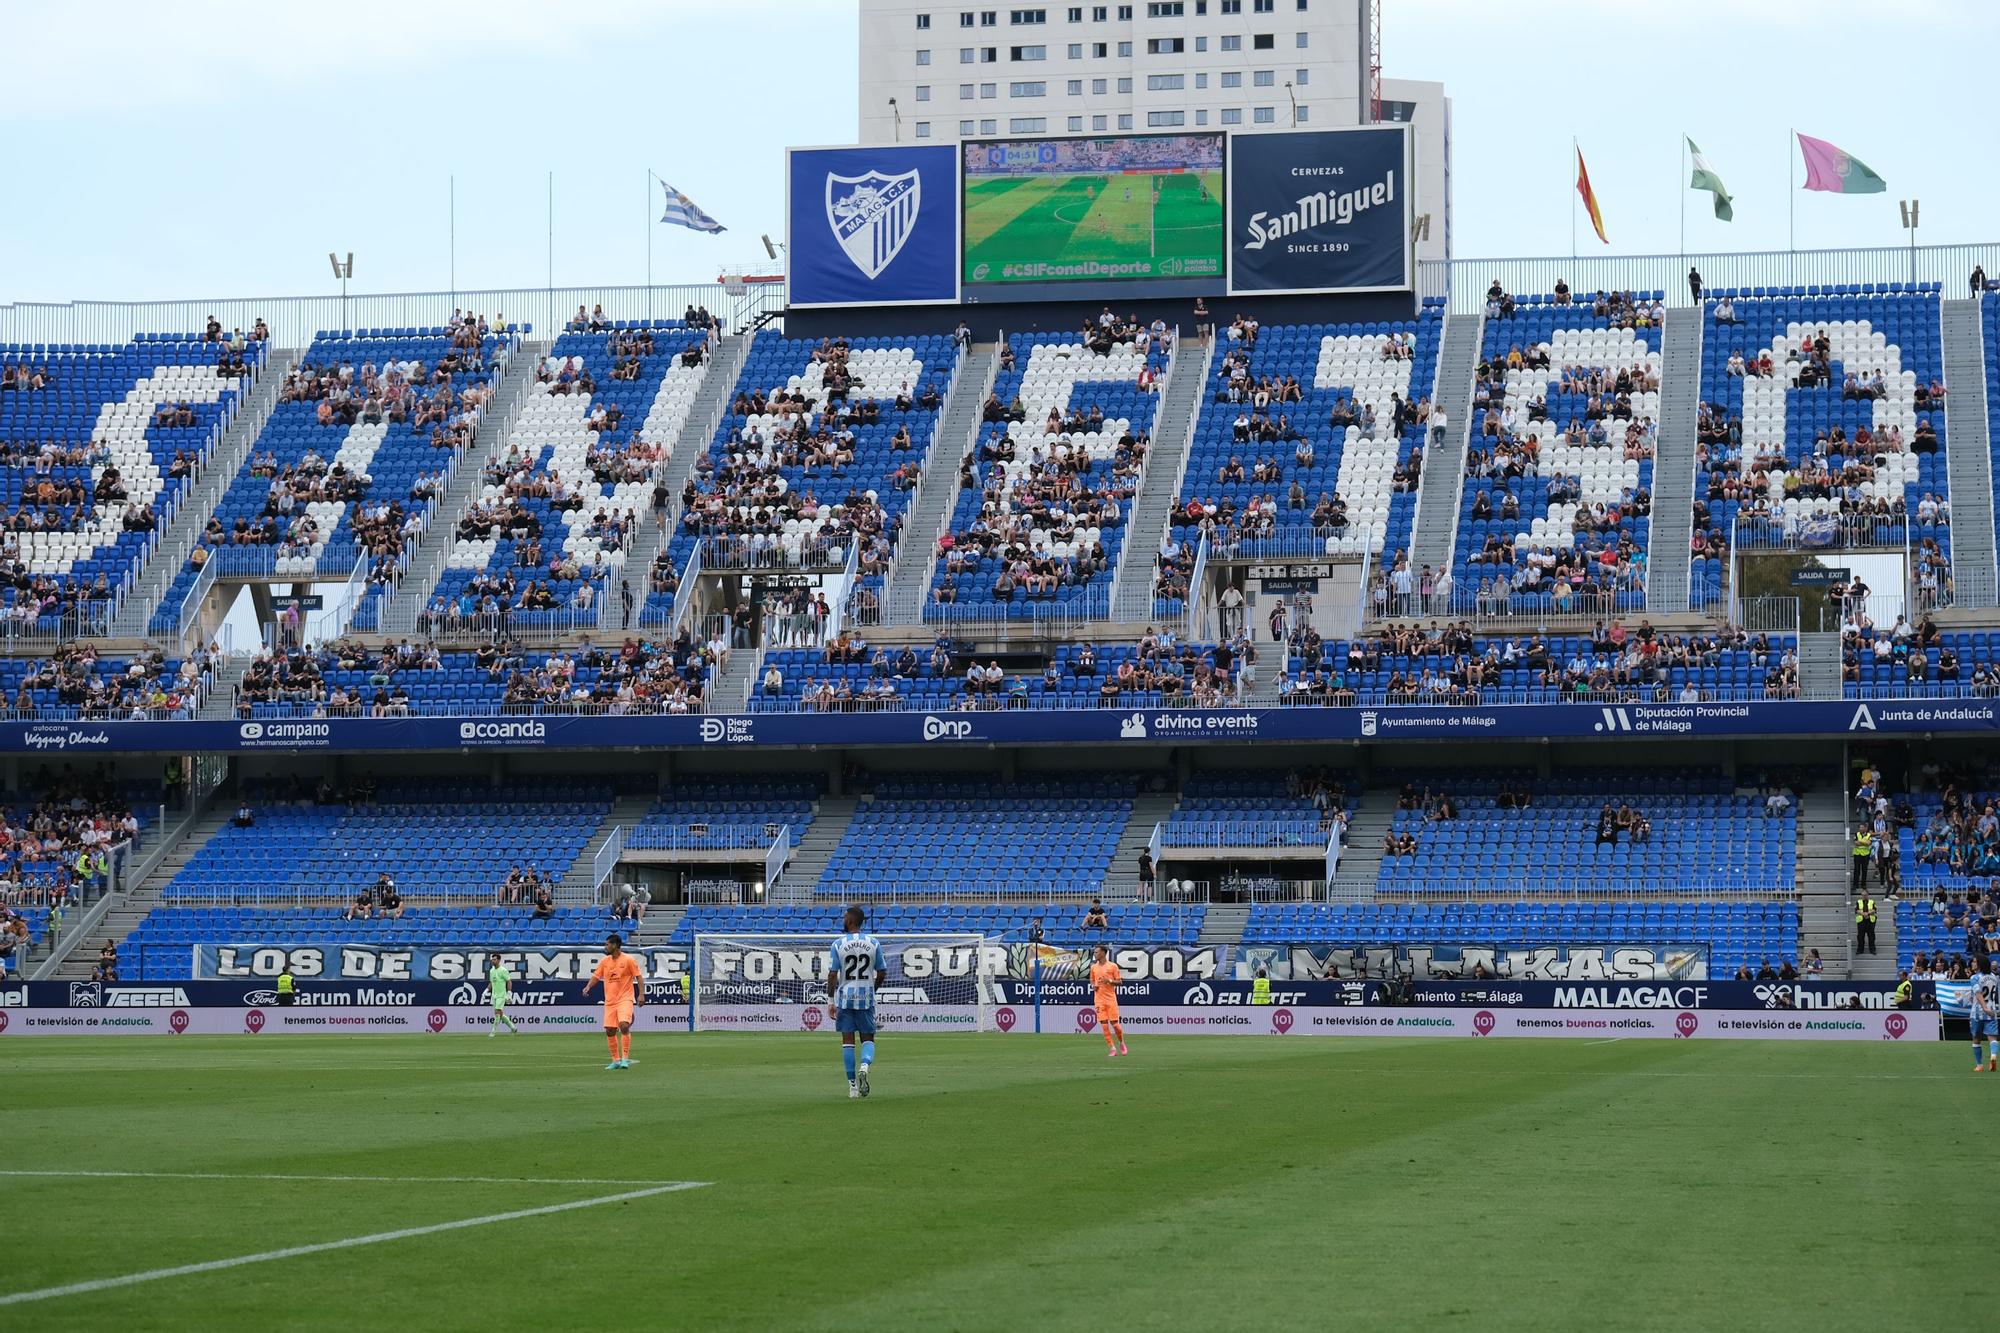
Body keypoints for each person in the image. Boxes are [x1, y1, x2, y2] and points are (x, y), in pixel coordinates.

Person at [825, 905, 885, 1099]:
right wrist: (872, 989)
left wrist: (830, 1001)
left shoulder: (838, 944)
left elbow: (833, 974)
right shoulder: (873, 943)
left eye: (844, 917)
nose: (843, 920)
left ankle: (852, 1088)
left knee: (847, 1042)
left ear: (850, 920)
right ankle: (865, 1067)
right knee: (868, 1039)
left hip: (845, 999)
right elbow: (882, 971)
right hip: (866, 999)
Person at [582, 933, 644, 1069]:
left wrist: (641, 995)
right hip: (610, 1001)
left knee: (624, 1025)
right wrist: (588, 986)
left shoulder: (628, 960)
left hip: (625, 999)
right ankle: (615, 1060)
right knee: (610, 1030)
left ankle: (625, 1059)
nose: (605, 946)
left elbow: (639, 977)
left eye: (607, 944)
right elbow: (596, 976)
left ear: (615, 945)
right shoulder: (605, 962)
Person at [1087, 943, 1128, 1057]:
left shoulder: (1113, 966)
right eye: (1094, 952)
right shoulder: (1093, 967)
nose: (1094, 954)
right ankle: (1112, 1048)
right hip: (1099, 1000)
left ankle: (1121, 1043)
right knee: (1104, 1025)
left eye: (1096, 952)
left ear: (1103, 953)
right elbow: (1091, 979)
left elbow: (1119, 982)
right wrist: (1093, 985)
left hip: (1110, 999)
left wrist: (1109, 981)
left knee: (1115, 1025)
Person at [1970, 957, 2000, 1073]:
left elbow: (1978, 993)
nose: (1972, 964)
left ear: (1980, 964)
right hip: (1992, 1011)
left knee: (1976, 1038)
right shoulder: (1994, 977)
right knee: (1992, 1038)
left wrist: (1984, 1007)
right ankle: (1993, 1057)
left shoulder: (1975, 978)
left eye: (1974, 961)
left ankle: (1979, 1065)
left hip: (1978, 1012)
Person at [488, 954, 520, 1035]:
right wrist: (486, 990)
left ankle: (493, 1031)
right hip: (494, 995)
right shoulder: (491, 971)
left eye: (494, 959)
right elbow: (491, 982)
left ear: (499, 960)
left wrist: (509, 993)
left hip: (501, 995)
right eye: (492, 959)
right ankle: (513, 1027)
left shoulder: (503, 970)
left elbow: (509, 981)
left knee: (497, 1013)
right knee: (500, 1014)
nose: (493, 961)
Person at [1854, 891, 1877, 957]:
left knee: (1871, 936)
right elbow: (1856, 910)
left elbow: (1874, 909)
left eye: (1865, 895)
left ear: (1868, 895)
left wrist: (1868, 913)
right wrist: (1863, 914)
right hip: (1861, 921)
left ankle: (1872, 949)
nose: (1864, 896)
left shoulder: (1872, 902)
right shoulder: (1858, 902)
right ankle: (1860, 950)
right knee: (1860, 936)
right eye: (1863, 895)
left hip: (1870, 920)